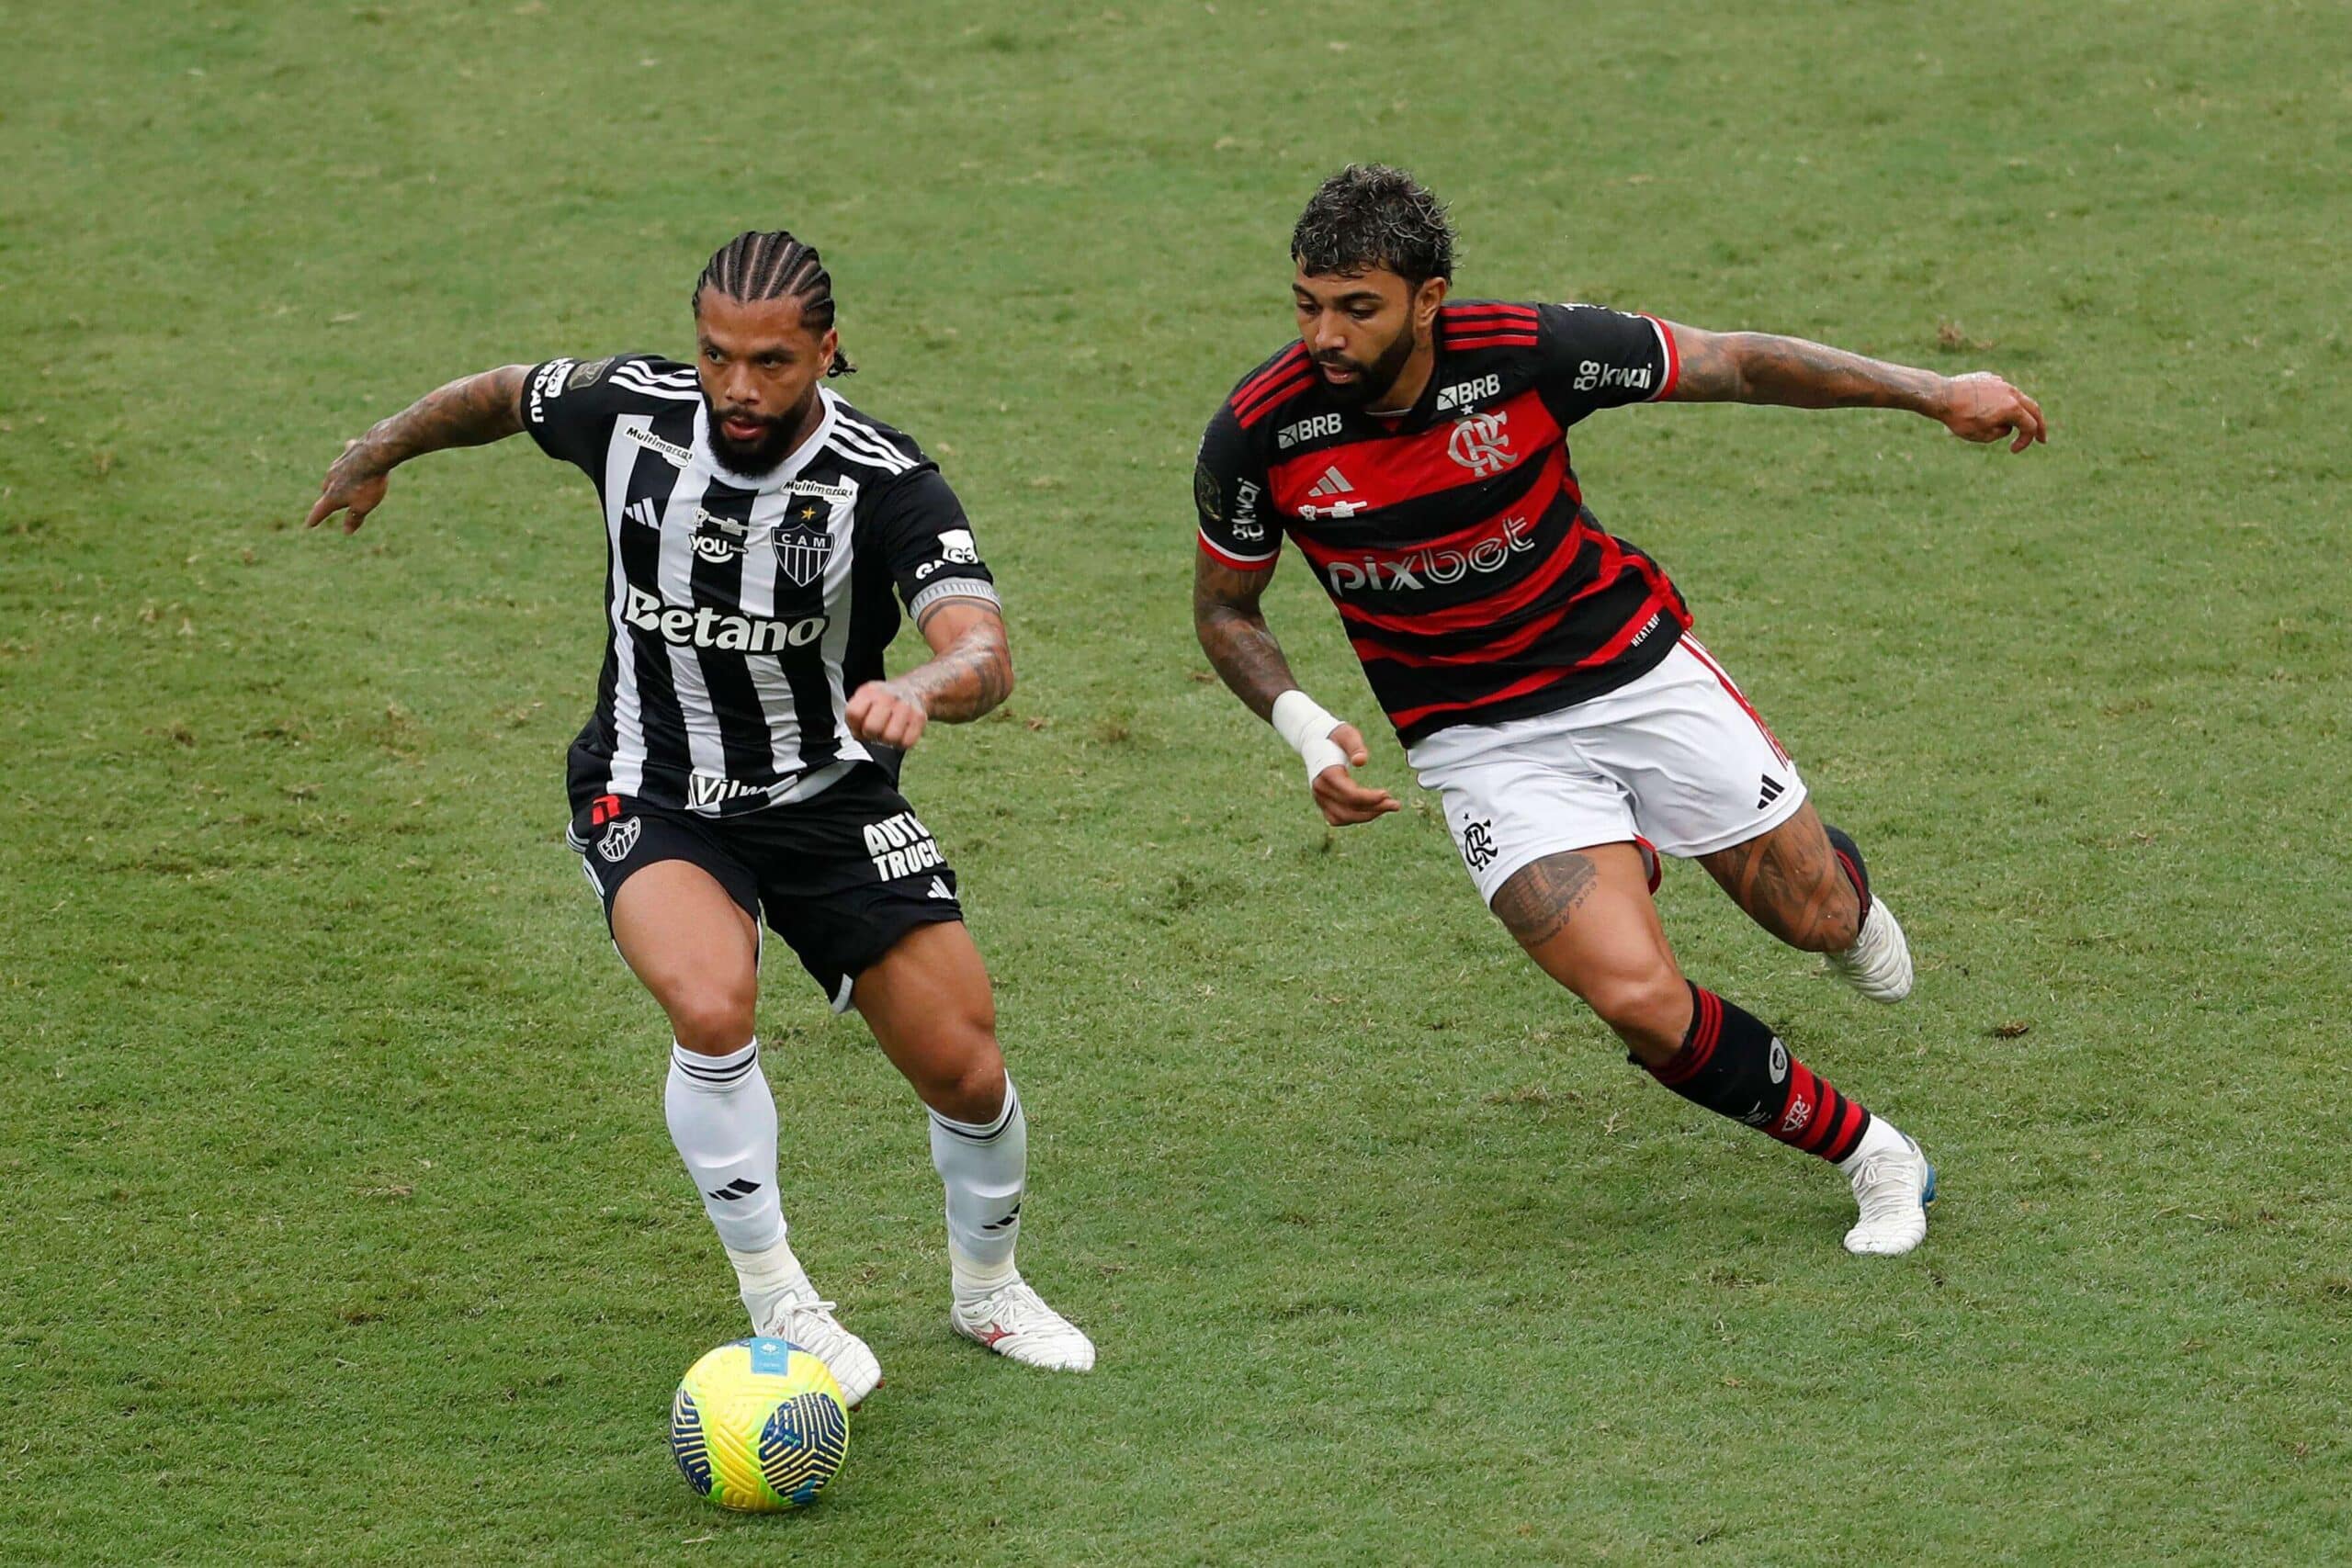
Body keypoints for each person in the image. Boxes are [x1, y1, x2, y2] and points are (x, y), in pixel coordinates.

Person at [1193, 166, 2048, 1257]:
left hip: (1633, 673)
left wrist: (1932, 391)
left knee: (1818, 921)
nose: (1326, 333)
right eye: (1308, 303)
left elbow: (1731, 362)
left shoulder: (1529, 351)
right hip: (1479, 742)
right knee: (1637, 997)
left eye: (1357, 307)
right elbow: (1225, 608)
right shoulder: (1260, 434)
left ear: (1428, 297)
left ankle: (1817, 885)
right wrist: (1304, 727)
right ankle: (1872, 1153)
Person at [306, 230, 1093, 1399]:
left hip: (828, 797)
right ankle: (779, 1295)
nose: (738, 386)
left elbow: (981, 647)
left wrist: (918, 688)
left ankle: (988, 1293)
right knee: (712, 1001)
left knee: (964, 1068)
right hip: (650, 784)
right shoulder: (630, 413)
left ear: (829, 350)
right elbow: (498, 395)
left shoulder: (886, 481)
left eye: (772, 361)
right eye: (717, 354)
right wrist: (381, 448)